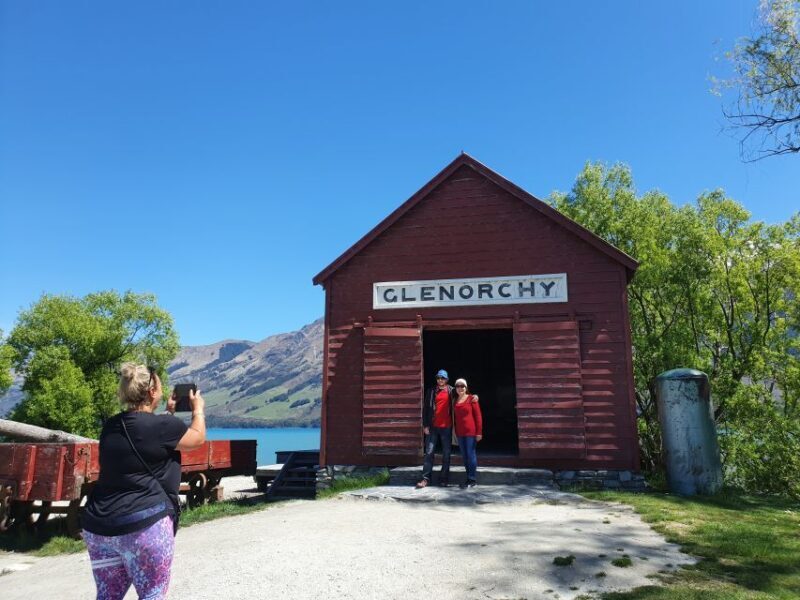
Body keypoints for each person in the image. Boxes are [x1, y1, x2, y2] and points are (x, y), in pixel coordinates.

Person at [81, 362, 207, 600]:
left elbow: (144, 438)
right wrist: (197, 409)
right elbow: (197, 439)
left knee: (108, 595)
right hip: (144, 526)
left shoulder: (111, 426)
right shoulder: (164, 427)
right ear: (151, 392)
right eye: (159, 386)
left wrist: (167, 413)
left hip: (100, 526)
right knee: (152, 595)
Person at [417, 369, 457, 488]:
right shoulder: (431, 391)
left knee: (446, 453)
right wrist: (425, 425)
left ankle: (443, 479)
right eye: (439, 378)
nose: (440, 380)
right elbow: (425, 409)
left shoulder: (452, 391)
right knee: (429, 453)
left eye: (443, 378)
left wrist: (474, 396)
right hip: (433, 427)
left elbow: (463, 397)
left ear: (447, 380)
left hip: (447, 427)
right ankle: (425, 479)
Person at [453, 378, 482, 489]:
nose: (460, 388)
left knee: (470, 454)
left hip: (471, 432)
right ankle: (468, 477)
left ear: (466, 388)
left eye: (462, 386)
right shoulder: (454, 400)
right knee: (464, 456)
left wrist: (479, 432)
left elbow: (478, 416)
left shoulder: (472, 399)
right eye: (458, 386)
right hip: (460, 433)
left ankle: (472, 479)